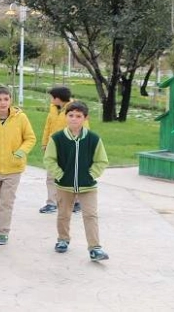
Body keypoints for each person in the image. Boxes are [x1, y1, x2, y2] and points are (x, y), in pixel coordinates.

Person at [43, 101, 110, 261]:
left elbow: (102, 161)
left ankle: (95, 248)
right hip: (64, 185)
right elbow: (49, 159)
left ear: (85, 118)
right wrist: (60, 175)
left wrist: (91, 175)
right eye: (71, 115)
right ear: (66, 117)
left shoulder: (93, 139)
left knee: (90, 215)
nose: (74, 119)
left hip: (88, 186)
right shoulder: (57, 138)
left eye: (78, 116)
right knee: (64, 214)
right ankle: (63, 240)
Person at [0, 86, 36, 245]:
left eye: (6, 99)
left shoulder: (21, 118)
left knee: (7, 202)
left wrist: (21, 152)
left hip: (13, 168)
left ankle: (3, 232)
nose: (3, 103)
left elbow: (30, 138)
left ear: (11, 100)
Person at [40, 86, 88, 214]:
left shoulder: (76, 109)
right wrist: (44, 144)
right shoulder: (53, 109)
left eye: (51, 97)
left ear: (57, 98)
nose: (50, 99)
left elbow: (84, 129)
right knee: (51, 176)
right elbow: (47, 127)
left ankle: (76, 202)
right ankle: (51, 203)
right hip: (53, 148)